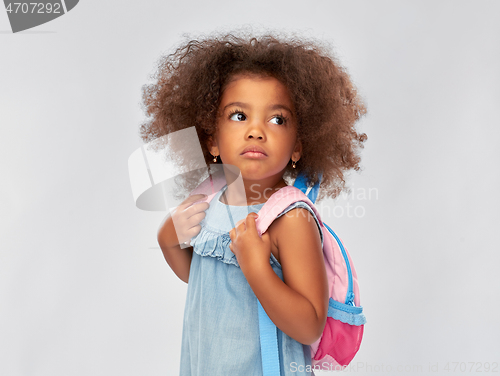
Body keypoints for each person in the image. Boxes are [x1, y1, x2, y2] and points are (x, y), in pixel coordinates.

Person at [140, 31, 367, 376]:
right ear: (212, 140)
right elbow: (207, 285)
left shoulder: (290, 218)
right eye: (238, 116)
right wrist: (168, 240)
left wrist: (258, 269)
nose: (256, 131)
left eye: (277, 119)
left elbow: (309, 326)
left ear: (298, 148)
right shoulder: (210, 197)